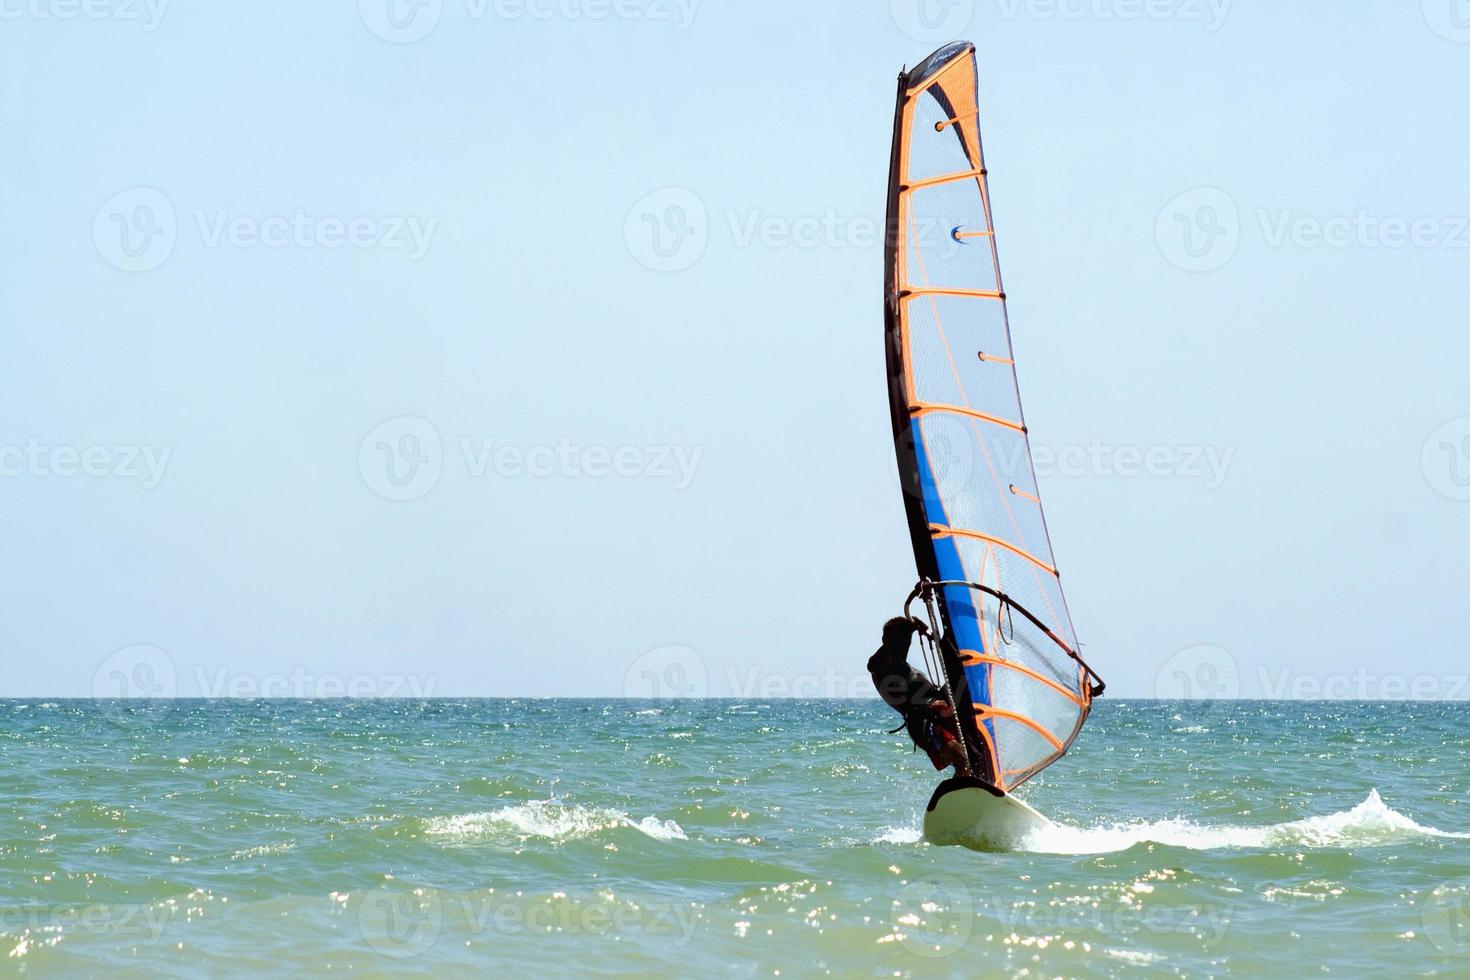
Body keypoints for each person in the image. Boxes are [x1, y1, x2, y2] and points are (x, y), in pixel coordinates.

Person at [867, 616, 975, 779]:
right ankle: (963, 795)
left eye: (908, 639)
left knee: (972, 758)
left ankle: (978, 786)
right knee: (961, 760)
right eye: (900, 638)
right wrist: (909, 628)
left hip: (939, 714)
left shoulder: (904, 667)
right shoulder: (882, 667)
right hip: (923, 722)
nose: (905, 643)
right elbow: (872, 664)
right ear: (886, 641)